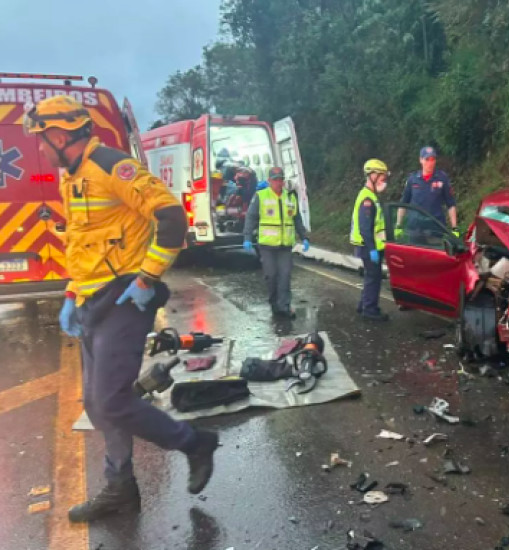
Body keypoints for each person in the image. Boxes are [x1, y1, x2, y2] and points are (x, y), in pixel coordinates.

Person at [23, 95, 219, 523]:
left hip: (125, 300)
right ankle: (121, 490)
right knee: (97, 404)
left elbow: (171, 218)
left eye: (41, 137)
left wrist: (147, 278)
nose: (38, 146)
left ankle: (194, 442)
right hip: (92, 301)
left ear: (59, 135)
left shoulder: (113, 166)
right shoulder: (71, 178)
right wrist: (73, 293)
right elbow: (82, 240)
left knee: (112, 401)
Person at [243, 166, 309, 318]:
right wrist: (247, 237)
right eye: (275, 180)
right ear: (269, 181)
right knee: (271, 276)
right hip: (267, 246)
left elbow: (296, 219)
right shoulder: (261, 196)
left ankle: (284, 306)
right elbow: (251, 217)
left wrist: (304, 237)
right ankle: (274, 304)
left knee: (285, 275)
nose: (278, 182)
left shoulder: (290, 197)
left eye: (280, 179)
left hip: (285, 245)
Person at [350, 159, 391, 321]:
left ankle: (363, 304)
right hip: (369, 247)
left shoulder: (371, 196)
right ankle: (370, 309)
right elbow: (365, 228)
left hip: (371, 246)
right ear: (372, 175)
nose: (384, 180)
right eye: (381, 176)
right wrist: (373, 248)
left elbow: (376, 225)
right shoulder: (367, 199)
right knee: (373, 278)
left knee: (370, 276)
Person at [396, 146, 458, 238]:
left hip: (436, 229)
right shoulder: (412, 179)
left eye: (433, 159)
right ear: (420, 160)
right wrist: (398, 225)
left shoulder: (442, 178)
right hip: (415, 229)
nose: (430, 163)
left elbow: (451, 204)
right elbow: (403, 203)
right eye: (427, 159)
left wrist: (454, 228)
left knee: (435, 252)